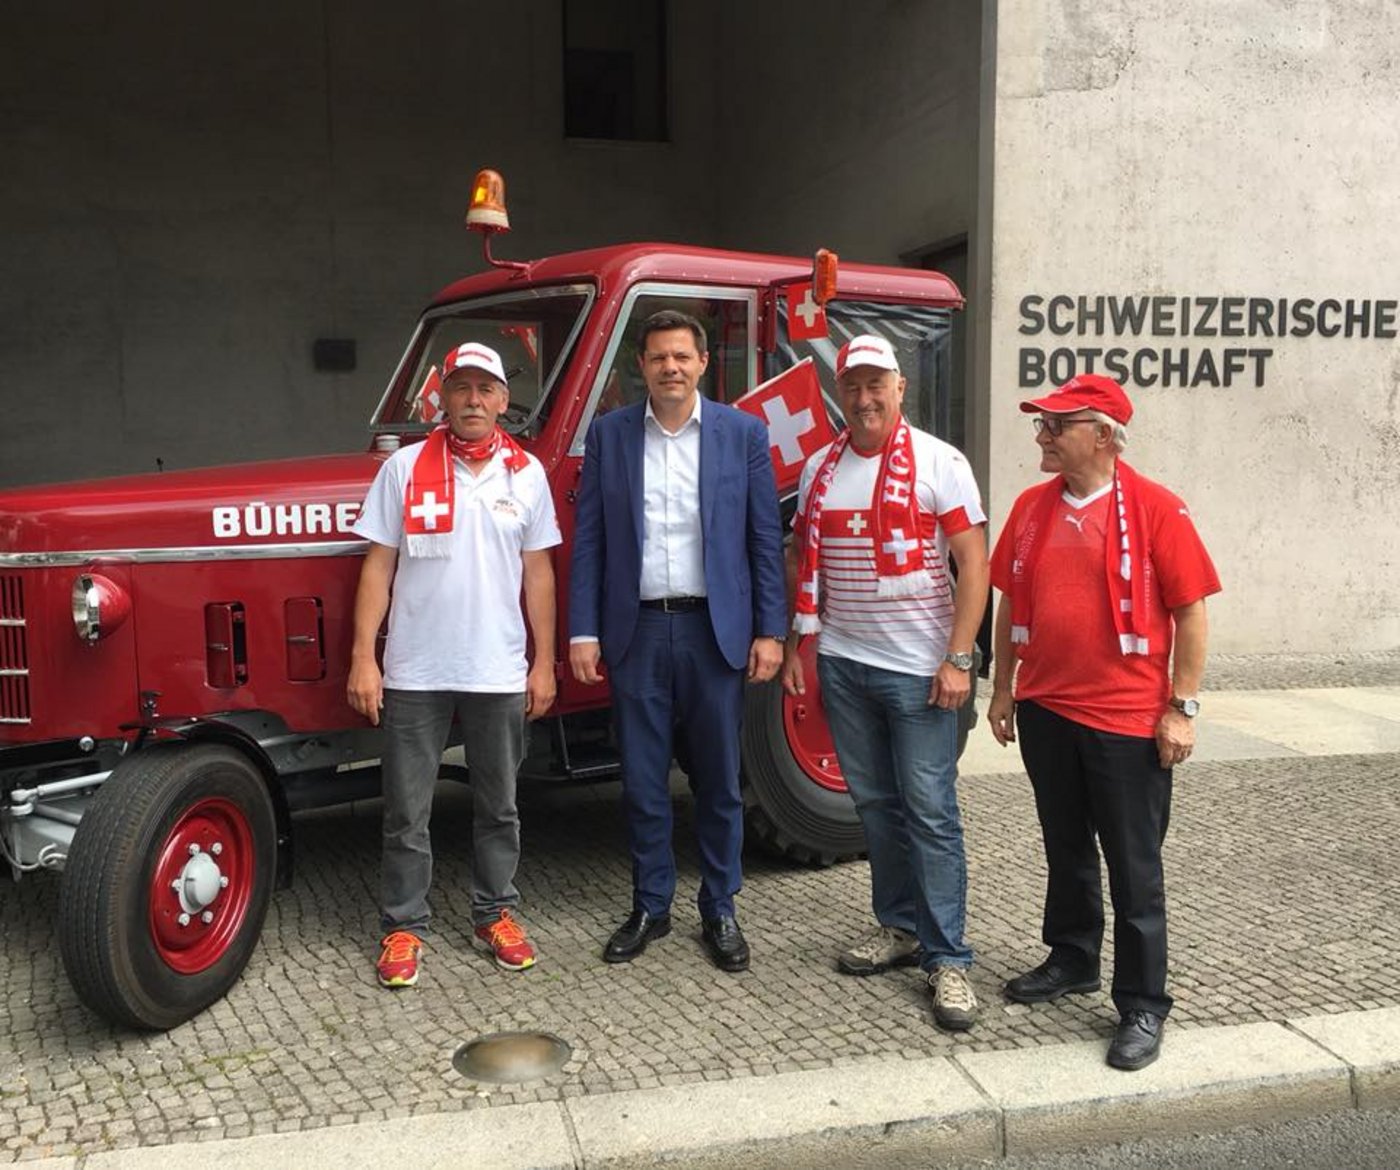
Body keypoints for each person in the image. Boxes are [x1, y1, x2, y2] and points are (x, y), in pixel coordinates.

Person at [986, 373, 1220, 1070]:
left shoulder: (1156, 509)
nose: (1044, 437)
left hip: (1125, 720)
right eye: (1042, 425)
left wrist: (1182, 708)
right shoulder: (1032, 507)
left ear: (1105, 434)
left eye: (1058, 426)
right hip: (1048, 710)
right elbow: (1009, 603)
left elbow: (1191, 611)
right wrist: (1003, 689)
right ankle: (1072, 956)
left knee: (1134, 867)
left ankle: (1144, 1001)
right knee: (1065, 846)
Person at [780, 334, 989, 1032]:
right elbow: (799, 557)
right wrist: (798, 647)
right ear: (841, 393)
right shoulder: (819, 469)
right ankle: (899, 927)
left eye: (878, 384)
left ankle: (950, 957)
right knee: (875, 807)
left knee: (929, 810)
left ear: (901, 387)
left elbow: (974, 565)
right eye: (853, 386)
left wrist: (960, 658)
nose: (865, 398)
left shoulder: (940, 463)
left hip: (921, 672)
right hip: (844, 661)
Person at [568, 309, 787, 972]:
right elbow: (592, 542)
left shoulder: (741, 434)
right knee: (640, 779)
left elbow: (762, 541)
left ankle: (720, 906)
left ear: (700, 364)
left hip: (711, 630)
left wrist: (769, 630)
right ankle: (651, 905)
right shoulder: (609, 436)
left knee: (719, 779)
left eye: (682, 357)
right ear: (642, 365)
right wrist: (584, 629)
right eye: (659, 357)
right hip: (635, 632)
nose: (671, 367)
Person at [348, 341, 560, 988]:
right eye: (461, 388)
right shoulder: (404, 469)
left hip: (498, 669)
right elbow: (378, 567)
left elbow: (539, 574)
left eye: (485, 389)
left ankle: (495, 912)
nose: (472, 400)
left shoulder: (527, 475)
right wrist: (364, 658)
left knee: (500, 806)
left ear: (502, 400)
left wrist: (543, 662)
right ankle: (404, 925)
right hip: (415, 669)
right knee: (405, 811)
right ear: (443, 397)